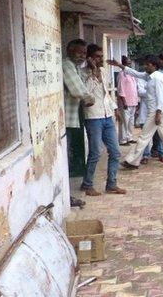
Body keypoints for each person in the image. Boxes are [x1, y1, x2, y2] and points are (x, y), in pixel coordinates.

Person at [109, 55, 163, 169]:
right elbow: (135, 73)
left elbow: (160, 96)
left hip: (156, 111)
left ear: (154, 65)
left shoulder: (156, 78)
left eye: (147, 64)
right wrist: (120, 65)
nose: (145, 66)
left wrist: (158, 113)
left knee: (144, 136)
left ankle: (132, 161)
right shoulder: (150, 76)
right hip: (157, 110)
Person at [79, 44, 126, 196]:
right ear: (90, 58)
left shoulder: (104, 72)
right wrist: (93, 73)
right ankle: (87, 184)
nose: (100, 59)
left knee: (115, 151)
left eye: (101, 56)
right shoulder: (83, 73)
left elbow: (106, 93)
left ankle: (111, 184)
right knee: (95, 152)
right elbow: (86, 93)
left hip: (107, 116)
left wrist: (115, 109)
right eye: (97, 56)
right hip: (93, 116)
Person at [62, 39, 95, 208]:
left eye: (84, 53)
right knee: (65, 160)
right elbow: (77, 89)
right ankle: (66, 197)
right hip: (67, 120)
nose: (82, 56)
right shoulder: (67, 65)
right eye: (79, 52)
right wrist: (90, 98)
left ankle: (67, 197)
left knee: (68, 158)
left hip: (73, 118)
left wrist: (91, 68)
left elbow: (82, 78)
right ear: (69, 50)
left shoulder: (75, 67)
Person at [117, 56, 139, 145]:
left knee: (130, 121)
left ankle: (129, 137)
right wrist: (124, 101)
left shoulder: (132, 74)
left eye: (130, 63)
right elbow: (120, 89)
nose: (129, 65)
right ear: (123, 64)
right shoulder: (121, 74)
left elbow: (135, 88)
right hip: (125, 102)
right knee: (124, 121)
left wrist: (137, 101)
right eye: (127, 63)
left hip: (133, 101)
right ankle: (123, 140)